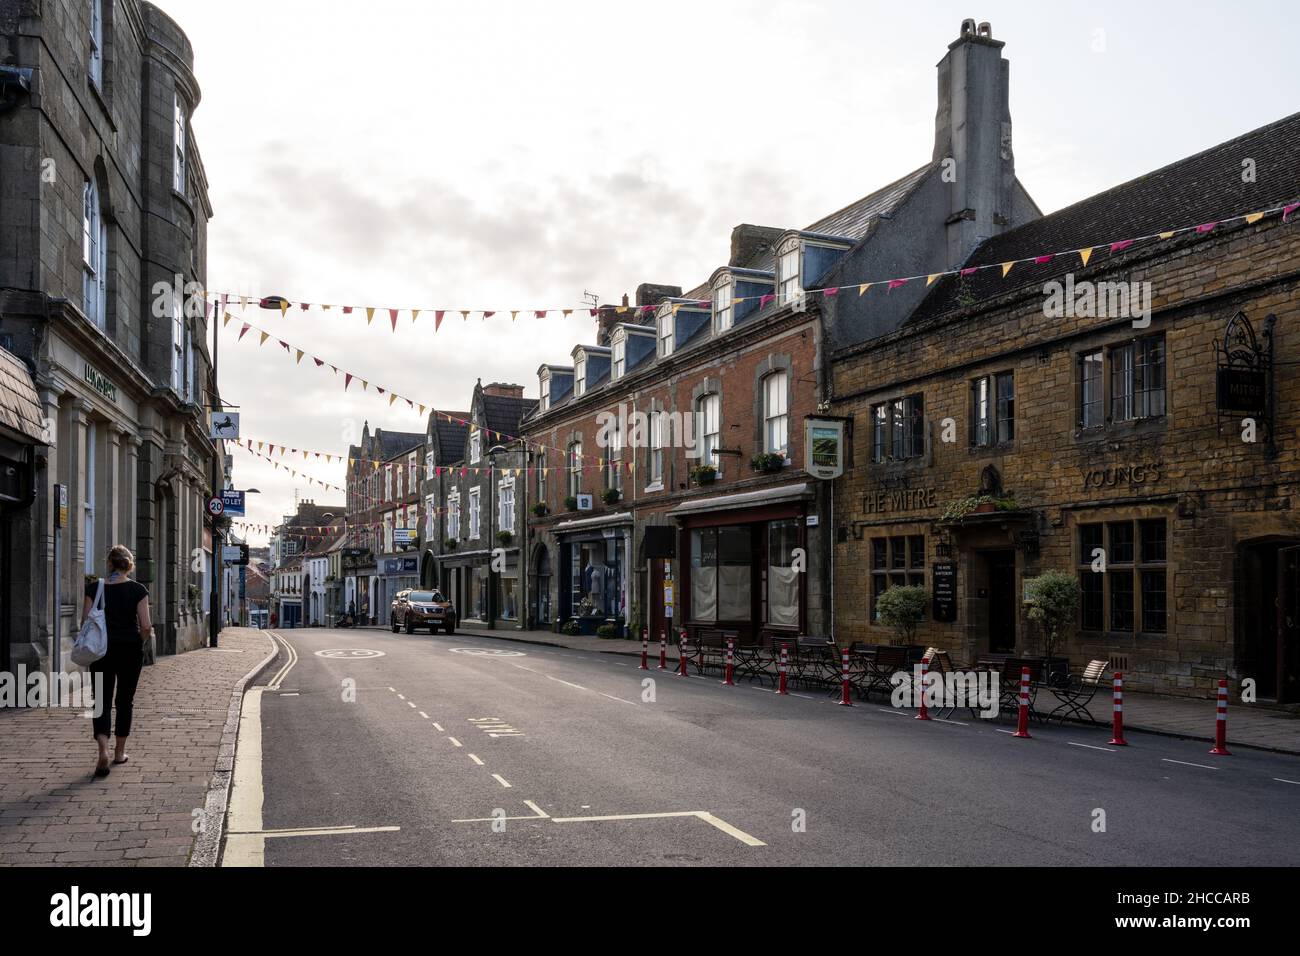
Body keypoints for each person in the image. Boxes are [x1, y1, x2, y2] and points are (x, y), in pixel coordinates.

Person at [81, 545, 152, 778]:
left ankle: (102, 749)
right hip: (129, 650)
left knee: (100, 700)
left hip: (101, 651)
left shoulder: (95, 588)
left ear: (109, 563)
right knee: (124, 700)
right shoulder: (138, 590)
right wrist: (138, 641)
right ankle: (119, 753)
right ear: (129, 565)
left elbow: (85, 622)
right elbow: (146, 625)